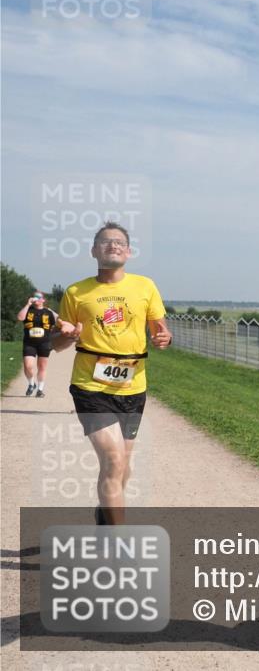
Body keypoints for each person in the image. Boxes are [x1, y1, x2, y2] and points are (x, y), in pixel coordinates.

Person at [53, 222, 172, 526]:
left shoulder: (145, 287)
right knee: (113, 460)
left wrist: (164, 339)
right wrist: (67, 335)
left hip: (133, 387)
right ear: (94, 251)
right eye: (106, 242)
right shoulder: (77, 292)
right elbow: (57, 344)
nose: (114, 245)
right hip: (90, 386)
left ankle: (105, 513)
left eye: (120, 242)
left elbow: (161, 331)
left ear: (129, 252)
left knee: (123, 467)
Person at [17, 292, 61, 397]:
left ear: (43, 300)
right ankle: (31, 383)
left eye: (38, 297)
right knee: (28, 366)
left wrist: (51, 310)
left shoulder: (48, 312)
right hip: (29, 343)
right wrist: (27, 304)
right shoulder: (28, 310)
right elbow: (20, 318)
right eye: (34, 296)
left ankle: (40, 389)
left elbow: (60, 320)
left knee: (42, 367)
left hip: (44, 343)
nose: (36, 298)